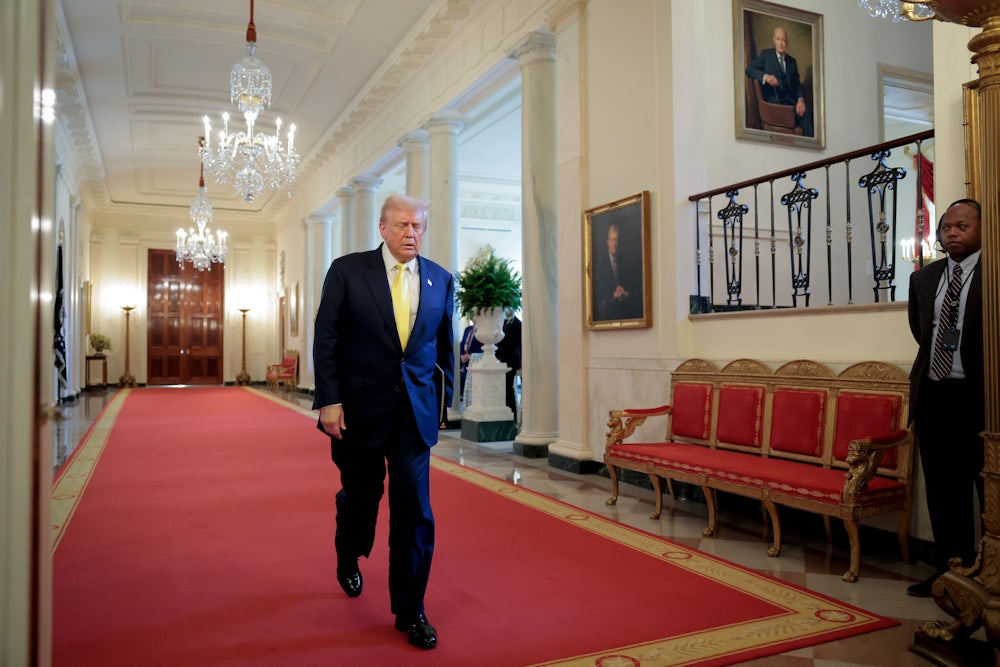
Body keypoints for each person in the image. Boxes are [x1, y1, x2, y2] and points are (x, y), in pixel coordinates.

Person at [312, 194, 455, 649]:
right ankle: (348, 552)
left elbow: (443, 349)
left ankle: (411, 610)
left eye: (418, 226)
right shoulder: (348, 271)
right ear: (383, 227)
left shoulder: (440, 279)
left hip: (414, 415)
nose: (411, 233)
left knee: (414, 510)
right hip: (358, 411)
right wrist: (329, 401)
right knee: (362, 496)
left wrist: (443, 405)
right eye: (402, 225)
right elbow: (326, 338)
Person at [905, 198, 985, 598]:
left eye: (962, 226)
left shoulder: (993, 272)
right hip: (934, 395)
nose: (951, 233)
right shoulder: (923, 278)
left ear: (983, 229)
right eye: (945, 227)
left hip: (980, 400)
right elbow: (922, 332)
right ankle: (949, 575)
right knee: (942, 491)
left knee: (988, 491)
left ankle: (989, 576)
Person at [744, 26, 814, 137]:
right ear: (774, 40)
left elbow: (797, 86)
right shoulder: (766, 55)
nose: (781, 43)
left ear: (787, 43)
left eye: (783, 40)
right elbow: (749, 70)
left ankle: (809, 144)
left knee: (807, 112)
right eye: (778, 39)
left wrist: (800, 100)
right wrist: (766, 77)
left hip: (790, 104)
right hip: (773, 105)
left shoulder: (792, 61)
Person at [593, 223, 642, 321]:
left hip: (622, 311)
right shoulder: (600, 264)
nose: (615, 244)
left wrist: (624, 292)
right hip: (607, 313)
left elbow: (630, 285)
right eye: (612, 240)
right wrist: (613, 295)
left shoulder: (623, 262)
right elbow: (599, 292)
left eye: (616, 240)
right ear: (607, 242)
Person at [494, 312, 522, 418]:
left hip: (510, 361)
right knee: (502, 388)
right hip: (501, 360)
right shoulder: (503, 322)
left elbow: (515, 346)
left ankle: (512, 414)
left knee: (507, 388)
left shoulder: (517, 324)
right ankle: (503, 413)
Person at [458, 322, 483, 401]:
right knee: (465, 381)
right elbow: (462, 343)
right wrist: (461, 355)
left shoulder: (483, 330)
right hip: (465, 362)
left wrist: (470, 356)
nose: (474, 317)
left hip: (475, 361)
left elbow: (481, 346)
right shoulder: (468, 329)